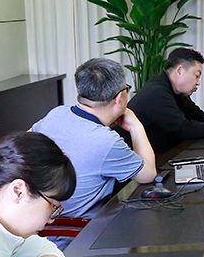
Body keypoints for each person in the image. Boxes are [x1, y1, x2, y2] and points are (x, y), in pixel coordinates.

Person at [32, 57, 156, 218]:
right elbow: (148, 175)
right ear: (119, 98)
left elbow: (25, 141)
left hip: (41, 221)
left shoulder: (57, 113)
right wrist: (135, 125)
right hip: (82, 229)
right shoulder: (107, 141)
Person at [127, 47, 204, 154]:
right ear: (180, 70)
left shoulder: (174, 89)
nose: (198, 82)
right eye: (197, 75)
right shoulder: (157, 92)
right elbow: (183, 129)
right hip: (139, 163)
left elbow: (196, 114)